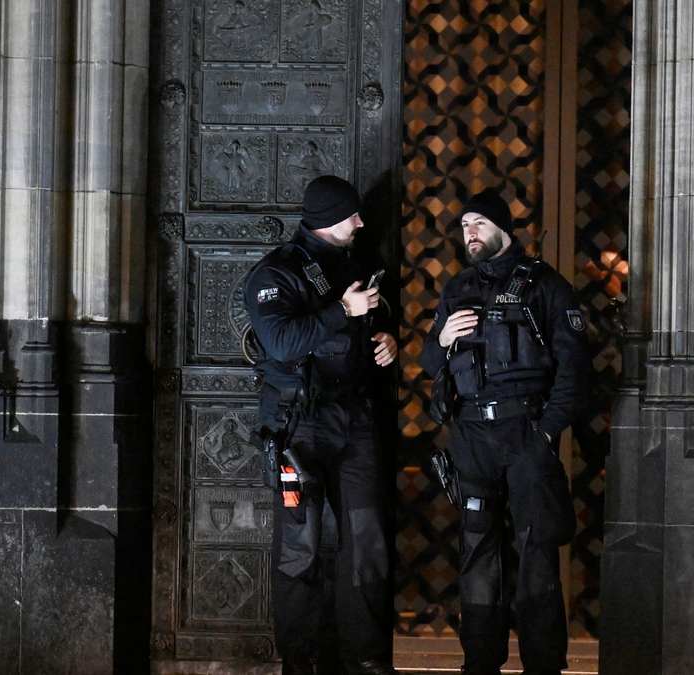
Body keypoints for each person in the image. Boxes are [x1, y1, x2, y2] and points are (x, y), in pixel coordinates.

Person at [420, 190, 592, 675]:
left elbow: (576, 372)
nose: (470, 233)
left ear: (502, 228)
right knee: (477, 551)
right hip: (472, 434)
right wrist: (442, 339)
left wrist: (546, 434)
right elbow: (431, 362)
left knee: (536, 552)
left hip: (526, 432)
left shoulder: (545, 285)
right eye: (464, 225)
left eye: (479, 223)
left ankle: (543, 666)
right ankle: (479, 664)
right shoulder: (458, 287)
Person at [243, 175, 399, 675]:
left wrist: (387, 339)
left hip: (356, 422)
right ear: (330, 218)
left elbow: (375, 319)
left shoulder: (357, 264)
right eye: (352, 215)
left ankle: (366, 659)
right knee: (300, 547)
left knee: (368, 543)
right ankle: (299, 661)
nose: (361, 223)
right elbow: (282, 342)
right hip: (299, 427)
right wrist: (342, 310)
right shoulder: (276, 272)